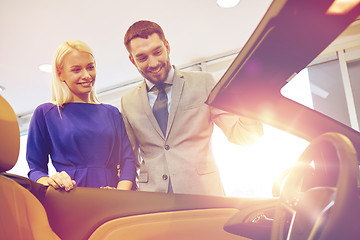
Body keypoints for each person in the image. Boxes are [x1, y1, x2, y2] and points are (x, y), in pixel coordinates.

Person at [120, 20, 264, 196]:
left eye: (157, 52)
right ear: (132, 60)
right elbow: (130, 159)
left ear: (167, 46)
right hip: (153, 201)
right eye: (142, 57)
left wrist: (251, 108)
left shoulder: (204, 83)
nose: (153, 63)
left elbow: (242, 136)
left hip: (204, 195)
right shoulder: (127, 102)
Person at [26, 40, 136, 191]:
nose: (86, 75)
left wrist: (120, 194)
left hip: (113, 196)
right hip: (70, 196)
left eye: (90, 67)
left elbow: (128, 159)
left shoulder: (112, 113)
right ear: (60, 73)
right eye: (76, 70)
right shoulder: (45, 113)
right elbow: (35, 169)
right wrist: (51, 181)